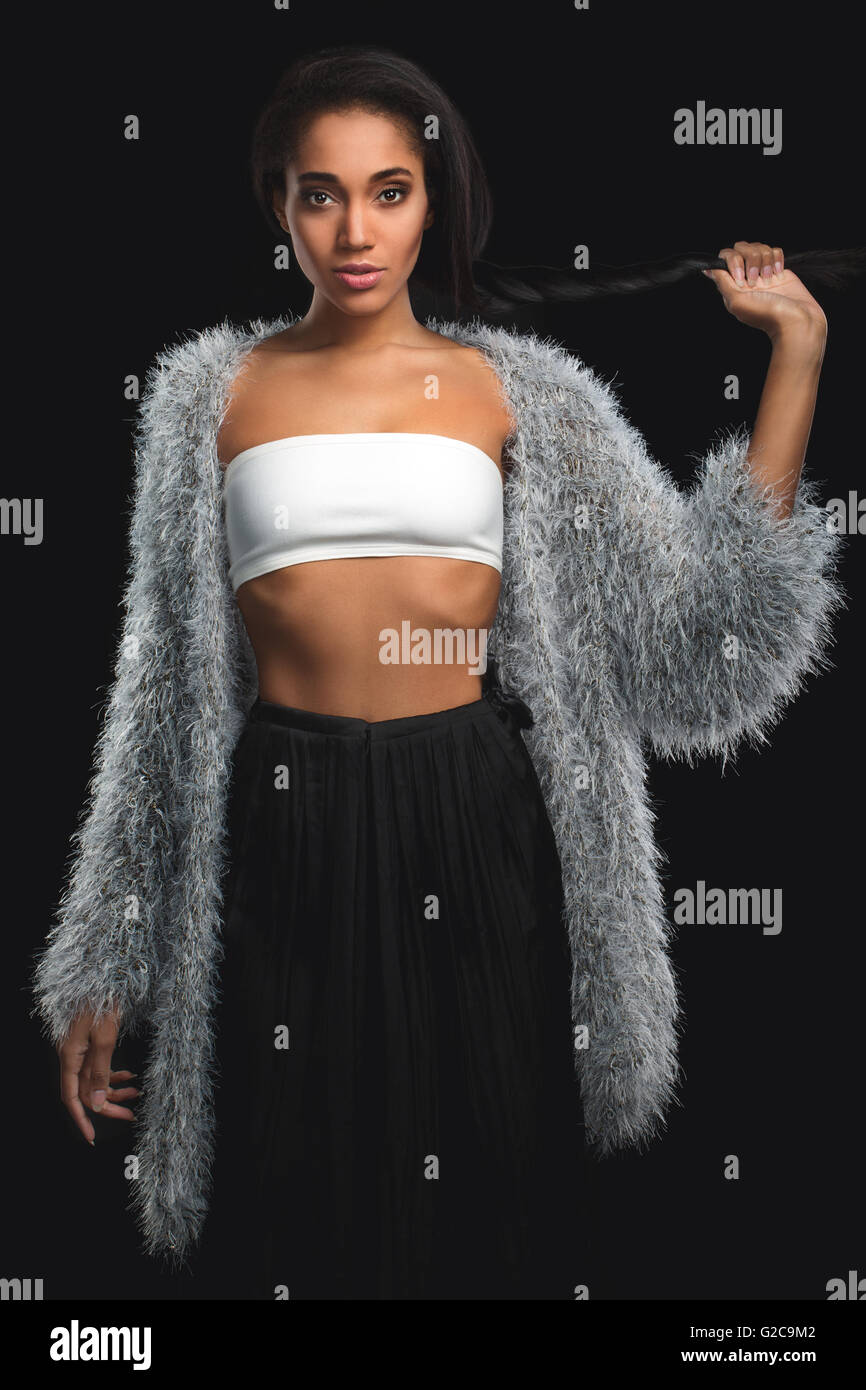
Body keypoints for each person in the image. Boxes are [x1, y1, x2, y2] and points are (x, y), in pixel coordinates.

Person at [31, 45, 847, 1300]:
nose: (355, 230)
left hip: (474, 816)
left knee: (489, 1203)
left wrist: (793, 354)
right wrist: (107, 952)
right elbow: (159, 696)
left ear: (434, 198)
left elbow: (700, 641)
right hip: (277, 819)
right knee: (284, 1196)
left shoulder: (523, 398)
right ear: (279, 206)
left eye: (390, 190)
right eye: (321, 193)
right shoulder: (208, 396)